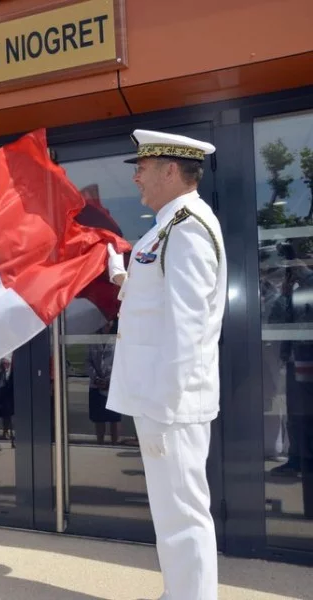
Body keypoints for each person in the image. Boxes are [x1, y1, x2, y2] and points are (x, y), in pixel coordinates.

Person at [106, 129, 227, 600]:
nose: (137, 177)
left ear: (170, 170)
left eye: (142, 167)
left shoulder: (188, 227)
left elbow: (189, 326)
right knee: (171, 512)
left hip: (170, 399)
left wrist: (167, 404)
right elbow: (161, 302)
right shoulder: (169, 226)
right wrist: (123, 275)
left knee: (183, 513)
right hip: (160, 395)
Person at [86, 319, 121, 444]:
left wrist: (109, 381)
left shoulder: (118, 337)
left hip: (112, 385)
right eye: (105, 321)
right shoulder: (93, 338)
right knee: (99, 418)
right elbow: (88, 361)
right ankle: (100, 443)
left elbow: (121, 361)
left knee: (114, 417)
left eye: (110, 321)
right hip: (96, 384)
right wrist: (95, 378)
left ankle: (114, 443)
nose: (107, 323)